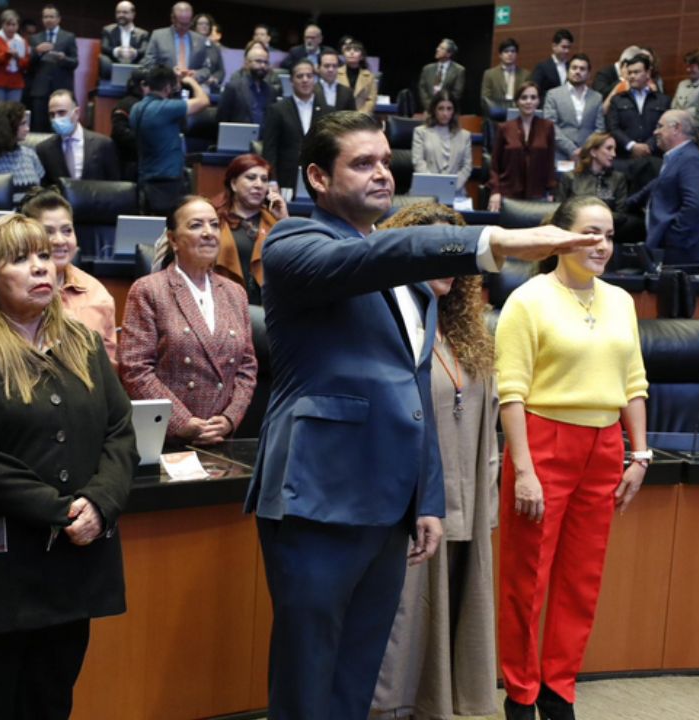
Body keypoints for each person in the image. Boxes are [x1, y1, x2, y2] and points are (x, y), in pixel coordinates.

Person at [246, 109, 603, 720]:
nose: (383, 174)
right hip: (318, 496)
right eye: (363, 163)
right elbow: (377, 256)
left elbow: (415, 400)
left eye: (386, 161)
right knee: (308, 677)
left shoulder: (412, 291)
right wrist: (494, 242)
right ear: (317, 178)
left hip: (388, 505)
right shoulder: (293, 244)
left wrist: (428, 500)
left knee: (358, 674)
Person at [0, 213, 136, 720]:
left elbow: (120, 431)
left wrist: (101, 503)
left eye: (44, 256)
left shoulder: (81, 344)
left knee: (50, 705)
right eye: (21, 260)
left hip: (69, 571)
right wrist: (59, 510)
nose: (42, 267)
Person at [496, 195, 649, 720]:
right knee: (527, 579)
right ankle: (521, 694)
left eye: (608, 235)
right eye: (589, 232)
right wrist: (524, 470)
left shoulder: (622, 301)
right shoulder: (528, 299)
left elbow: (634, 383)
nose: (601, 244)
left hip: (605, 448)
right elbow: (510, 392)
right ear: (559, 236)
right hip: (542, 443)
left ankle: (559, 691)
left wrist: (640, 454)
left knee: (581, 580)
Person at [371, 203, 499, 720]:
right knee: (403, 627)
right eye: (430, 256)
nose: (445, 269)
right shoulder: (389, 326)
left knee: (453, 620)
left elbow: (486, 422)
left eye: (453, 257)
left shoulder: (470, 329)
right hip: (411, 506)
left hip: (466, 496)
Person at [118, 195, 258, 445]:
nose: (209, 233)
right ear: (172, 239)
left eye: (214, 225)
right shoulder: (149, 290)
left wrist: (229, 419)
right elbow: (135, 368)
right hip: (168, 439)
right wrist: (181, 422)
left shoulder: (235, 292)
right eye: (195, 225)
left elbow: (247, 367)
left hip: (221, 438)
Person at [21, 187, 118, 362]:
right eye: (48, 232)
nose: (60, 240)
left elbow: (108, 370)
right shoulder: (13, 289)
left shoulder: (96, 294)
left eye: (67, 230)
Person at [640, 109, 699, 266]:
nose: (655, 132)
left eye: (660, 126)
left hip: (682, 252)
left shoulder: (690, 159)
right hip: (674, 249)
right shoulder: (676, 158)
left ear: (676, 129)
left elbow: (695, 205)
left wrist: (672, 237)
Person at [213, 153, 287, 304]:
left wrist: (284, 220)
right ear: (233, 184)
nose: (259, 185)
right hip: (222, 303)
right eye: (251, 178)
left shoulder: (275, 221)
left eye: (264, 179)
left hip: (268, 307)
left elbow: (295, 262)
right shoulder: (214, 219)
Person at [130, 65, 208, 190]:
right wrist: (191, 81)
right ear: (167, 88)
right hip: (166, 180)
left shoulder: (136, 108)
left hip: (145, 177)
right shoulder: (166, 109)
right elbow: (203, 101)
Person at [261, 59, 329, 191]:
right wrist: (272, 179)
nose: (305, 80)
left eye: (309, 76)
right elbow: (270, 148)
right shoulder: (277, 109)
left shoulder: (327, 111)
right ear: (291, 81)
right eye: (299, 76)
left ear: (314, 79)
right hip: (286, 178)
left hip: (318, 178)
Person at [488, 81, 556, 211]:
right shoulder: (505, 128)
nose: (528, 101)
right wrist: (495, 192)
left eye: (533, 97)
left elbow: (550, 162)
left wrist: (550, 192)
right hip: (509, 192)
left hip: (537, 193)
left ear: (538, 101)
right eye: (524, 98)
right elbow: (494, 165)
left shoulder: (548, 127)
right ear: (517, 102)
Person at [37, 89, 120, 185]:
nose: (56, 119)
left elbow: (114, 187)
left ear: (76, 113)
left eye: (61, 112)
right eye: (52, 114)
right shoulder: (43, 149)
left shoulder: (103, 144)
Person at [413, 90, 473, 209]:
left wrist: (450, 187)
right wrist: (435, 186)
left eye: (449, 108)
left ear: (454, 111)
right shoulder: (421, 132)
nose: (445, 113)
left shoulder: (465, 136)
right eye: (441, 108)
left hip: (456, 193)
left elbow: (467, 166)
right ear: (434, 110)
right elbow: (418, 162)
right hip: (426, 193)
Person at [142, 2, 222, 89]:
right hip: (164, 87)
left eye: (187, 24)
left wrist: (196, 74)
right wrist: (169, 73)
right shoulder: (158, 36)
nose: (185, 28)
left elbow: (206, 69)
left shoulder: (200, 40)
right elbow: (148, 65)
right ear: (173, 19)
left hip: (191, 86)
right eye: (181, 24)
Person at [543, 53, 606, 162]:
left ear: (588, 74)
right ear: (568, 71)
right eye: (574, 68)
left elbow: (600, 128)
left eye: (582, 69)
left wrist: (585, 149)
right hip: (560, 154)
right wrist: (571, 149)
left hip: (588, 156)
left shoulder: (597, 97)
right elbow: (550, 127)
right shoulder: (553, 94)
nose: (577, 71)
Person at [605, 54, 669, 159]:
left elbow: (664, 128)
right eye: (629, 73)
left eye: (636, 72)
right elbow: (613, 128)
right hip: (625, 157)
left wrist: (649, 146)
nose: (632, 76)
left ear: (648, 73)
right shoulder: (617, 100)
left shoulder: (662, 100)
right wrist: (631, 146)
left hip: (653, 156)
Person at [27, 4, 79, 132]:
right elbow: (29, 64)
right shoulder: (35, 38)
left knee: (61, 126)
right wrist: (37, 52)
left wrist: (63, 58)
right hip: (40, 89)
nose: (48, 19)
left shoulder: (68, 37)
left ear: (58, 19)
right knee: (38, 126)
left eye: (51, 16)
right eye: (45, 17)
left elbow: (75, 62)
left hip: (61, 88)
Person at [556, 132, 629, 211]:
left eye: (614, 149)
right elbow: (559, 211)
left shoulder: (618, 179)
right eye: (609, 148)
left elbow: (621, 214)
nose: (614, 154)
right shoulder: (570, 177)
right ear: (593, 152)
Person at [216, 41, 281, 126]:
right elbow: (221, 120)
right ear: (246, 63)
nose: (262, 66)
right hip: (239, 137)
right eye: (258, 61)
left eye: (266, 62)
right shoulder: (233, 88)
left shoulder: (271, 91)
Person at [0, 10, 30, 103]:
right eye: (8, 25)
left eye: (14, 25)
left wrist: (18, 58)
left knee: (13, 112)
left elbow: (26, 64)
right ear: (2, 25)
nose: (11, 28)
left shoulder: (22, 41)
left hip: (16, 83)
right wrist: (6, 55)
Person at [101, 1, 149, 79]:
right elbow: (104, 47)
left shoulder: (143, 33)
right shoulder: (108, 30)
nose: (120, 15)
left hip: (135, 65)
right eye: (118, 12)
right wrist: (117, 51)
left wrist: (134, 52)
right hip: (113, 64)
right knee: (103, 59)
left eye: (125, 12)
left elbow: (145, 50)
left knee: (146, 61)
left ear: (133, 14)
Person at [480, 38, 529, 112]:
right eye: (506, 51)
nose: (510, 54)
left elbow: (527, 98)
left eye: (513, 51)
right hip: (496, 114)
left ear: (516, 54)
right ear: (500, 55)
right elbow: (485, 99)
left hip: (518, 114)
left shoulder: (526, 75)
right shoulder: (489, 74)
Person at [418, 39, 465, 111]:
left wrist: (441, 107)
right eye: (438, 47)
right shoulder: (427, 69)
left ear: (449, 54)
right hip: (428, 110)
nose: (437, 49)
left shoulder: (459, 70)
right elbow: (422, 89)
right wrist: (430, 107)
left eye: (442, 48)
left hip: (446, 112)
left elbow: (456, 94)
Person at [670, 48, 699, 123]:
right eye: (687, 66)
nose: (688, 70)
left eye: (692, 67)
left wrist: (680, 114)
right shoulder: (682, 84)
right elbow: (673, 106)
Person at [338, 40, 378, 114]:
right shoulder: (336, 74)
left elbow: (371, 100)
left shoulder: (369, 76)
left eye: (356, 50)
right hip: (340, 117)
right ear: (343, 54)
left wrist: (360, 115)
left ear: (361, 56)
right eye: (348, 50)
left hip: (361, 117)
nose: (351, 52)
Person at [529, 29, 573, 95]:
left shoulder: (572, 66)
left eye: (569, 47)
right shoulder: (542, 67)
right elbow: (534, 91)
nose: (567, 51)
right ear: (554, 46)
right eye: (564, 47)